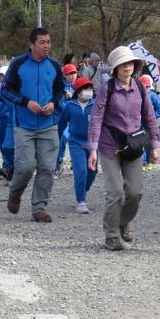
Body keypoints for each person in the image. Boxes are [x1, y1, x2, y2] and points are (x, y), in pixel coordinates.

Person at [87, 46, 160, 251]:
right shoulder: (107, 88)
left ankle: (123, 221)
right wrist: (92, 148)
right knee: (115, 191)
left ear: (135, 65)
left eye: (130, 62)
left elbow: (150, 117)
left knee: (136, 192)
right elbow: (96, 119)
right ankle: (111, 234)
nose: (127, 66)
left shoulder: (140, 87)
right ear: (116, 68)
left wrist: (154, 145)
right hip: (109, 146)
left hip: (134, 145)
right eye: (122, 63)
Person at [0, 27, 64, 223]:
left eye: (49, 42)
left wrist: (53, 103)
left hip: (48, 124)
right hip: (23, 124)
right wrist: (25, 102)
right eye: (42, 42)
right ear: (31, 45)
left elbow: (61, 89)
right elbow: (5, 90)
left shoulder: (54, 65)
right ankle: (15, 192)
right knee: (26, 166)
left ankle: (39, 208)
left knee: (46, 167)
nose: (47, 46)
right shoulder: (18, 64)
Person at [57, 77, 98, 215]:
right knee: (81, 170)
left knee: (92, 172)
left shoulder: (96, 105)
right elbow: (62, 123)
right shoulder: (70, 106)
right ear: (78, 91)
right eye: (86, 88)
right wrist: (56, 140)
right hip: (75, 142)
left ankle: (82, 189)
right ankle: (81, 201)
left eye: (90, 88)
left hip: (92, 143)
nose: (89, 91)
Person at [138, 75, 160, 171]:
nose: (146, 89)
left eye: (148, 87)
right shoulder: (135, 96)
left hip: (149, 124)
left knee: (149, 143)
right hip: (139, 124)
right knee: (140, 143)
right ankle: (142, 162)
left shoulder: (153, 96)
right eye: (144, 87)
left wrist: (152, 117)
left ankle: (149, 161)